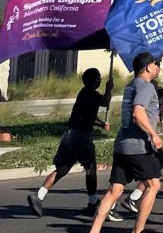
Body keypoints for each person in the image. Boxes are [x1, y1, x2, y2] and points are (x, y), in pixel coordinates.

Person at [81, 52, 163, 233]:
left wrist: (161, 109)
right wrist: (153, 134)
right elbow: (138, 113)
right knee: (154, 184)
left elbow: (145, 112)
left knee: (114, 190)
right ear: (148, 67)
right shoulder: (145, 85)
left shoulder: (132, 85)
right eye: (157, 64)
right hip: (138, 147)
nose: (159, 67)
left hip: (123, 145)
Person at [28, 67, 113, 217]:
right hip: (81, 136)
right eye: (99, 78)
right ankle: (92, 203)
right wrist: (109, 88)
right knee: (90, 168)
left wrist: (100, 124)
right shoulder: (90, 93)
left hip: (70, 135)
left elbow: (88, 116)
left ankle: (39, 195)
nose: (100, 80)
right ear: (95, 80)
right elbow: (105, 101)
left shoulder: (84, 93)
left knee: (63, 168)